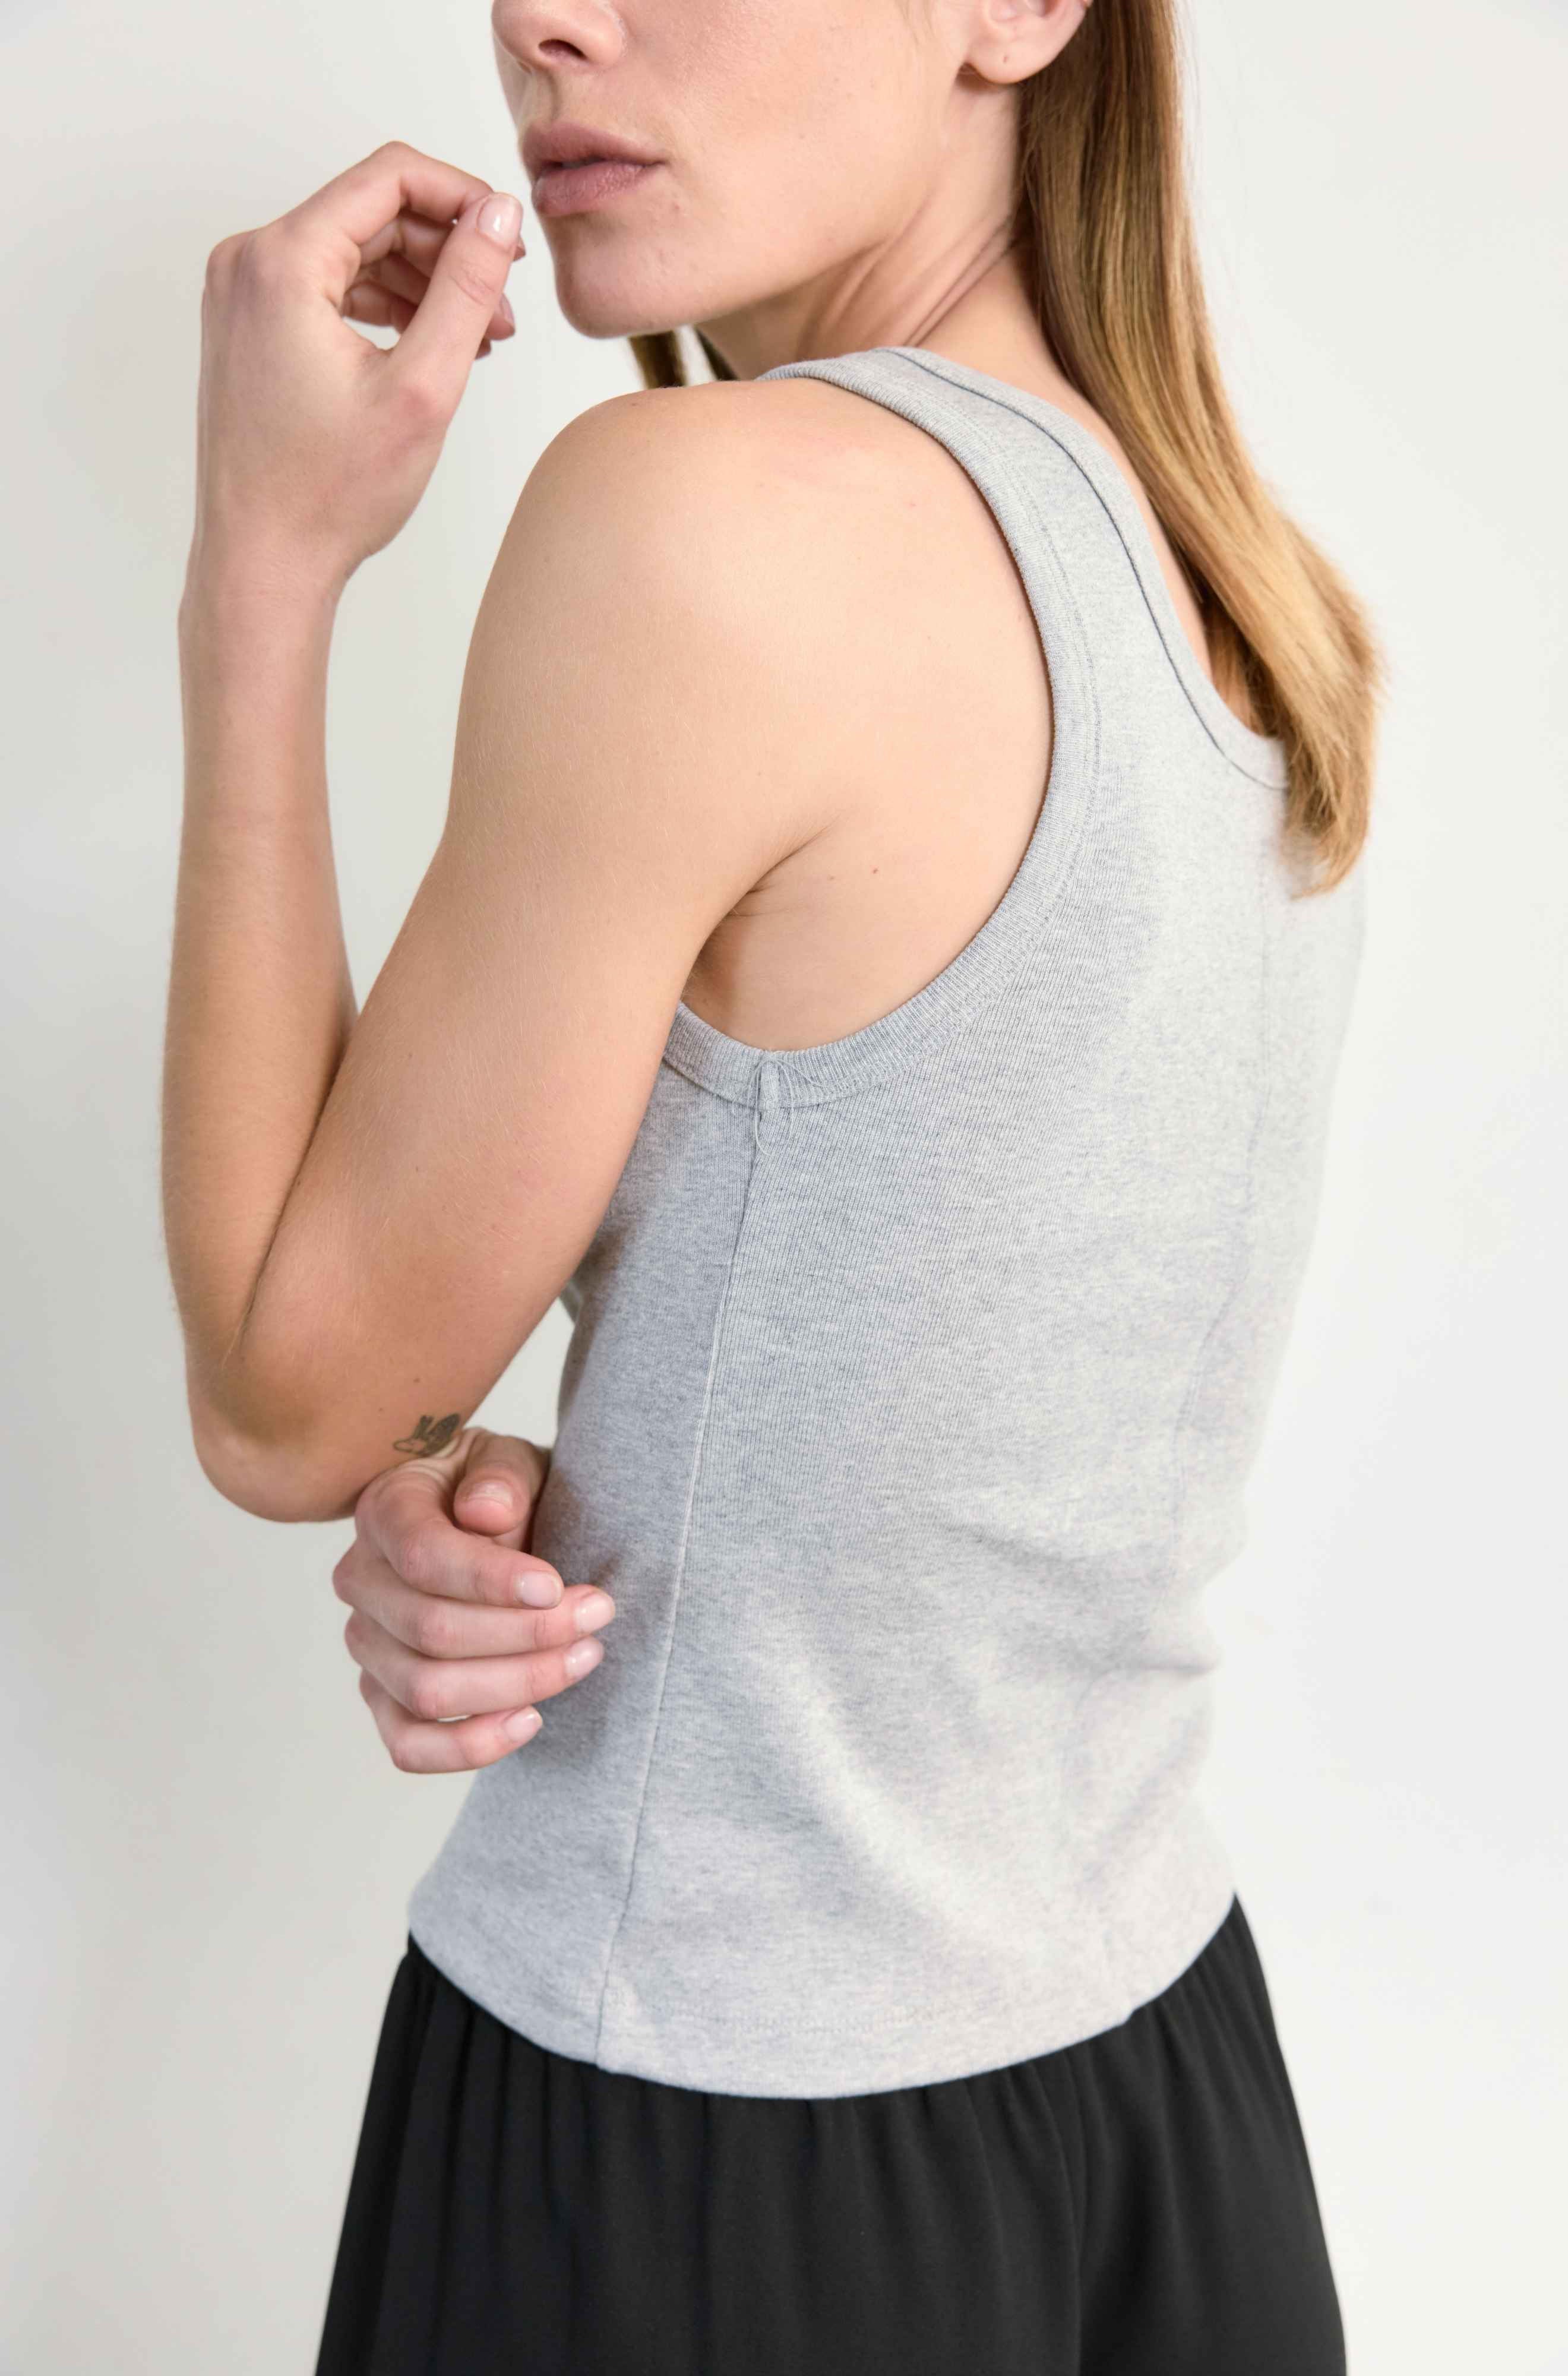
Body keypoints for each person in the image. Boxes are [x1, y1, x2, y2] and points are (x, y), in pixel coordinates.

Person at [162, 0, 1384, 2361]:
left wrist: (260, 576)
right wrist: (539, 1479)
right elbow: (904, 1358)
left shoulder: (707, 520)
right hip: (1161, 2089)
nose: (548, 18)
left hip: (712, 2156)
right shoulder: (1236, 584)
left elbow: (277, 1398)